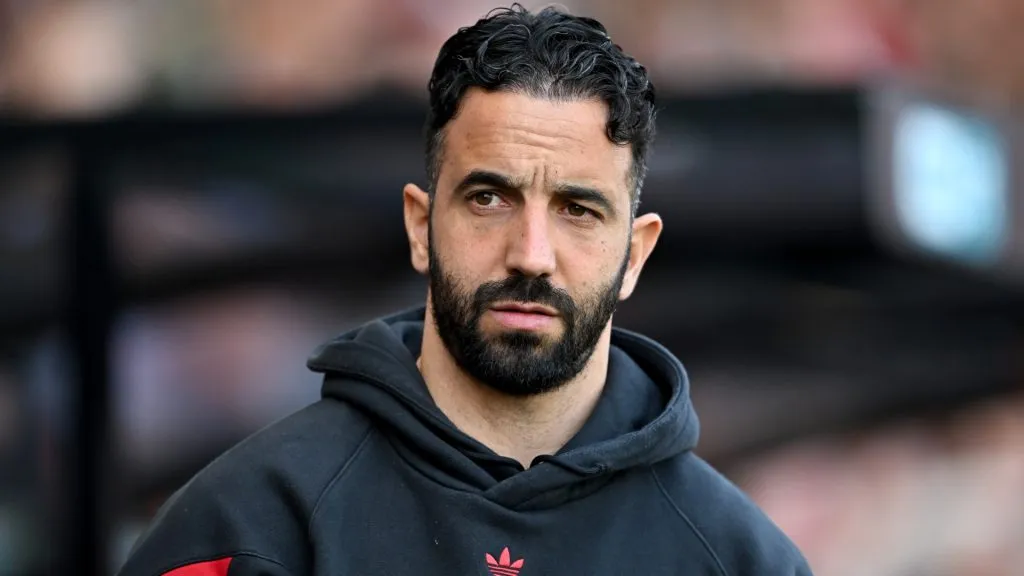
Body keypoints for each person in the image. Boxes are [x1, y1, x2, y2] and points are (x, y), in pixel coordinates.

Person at [118, 5, 812, 575]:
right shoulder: (249, 525)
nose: (531, 256)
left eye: (578, 209)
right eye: (489, 198)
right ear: (421, 226)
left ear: (635, 253)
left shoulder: (742, 560)